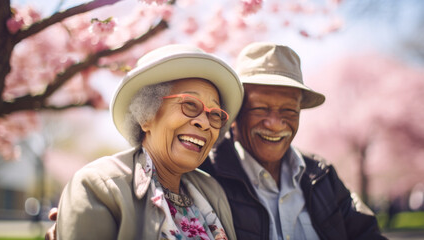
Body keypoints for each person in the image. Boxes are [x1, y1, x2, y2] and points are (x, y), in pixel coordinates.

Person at [52, 44, 243, 239]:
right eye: (189, 104)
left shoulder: (212, 192)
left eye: (215, 114)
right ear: (146, 115)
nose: (203, 122)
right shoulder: (101, 186)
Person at [199, 42, 387, 240]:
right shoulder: (206, 174)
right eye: (260, 108)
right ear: (235, 114)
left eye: (288, 110)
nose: (275, 124)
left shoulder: (322, 175)